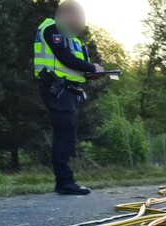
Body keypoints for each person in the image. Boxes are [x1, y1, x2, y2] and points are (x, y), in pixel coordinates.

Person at [34, 0, 104, 195]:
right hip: (56, 88)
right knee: (65, 133)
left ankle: (65, 181)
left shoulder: (75, 40)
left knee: (68, 134)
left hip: (70, 91)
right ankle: (64, 182)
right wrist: (91, 68)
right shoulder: (52, 28)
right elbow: (64, 57)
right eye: (74, 16)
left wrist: (93, 73)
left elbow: (78, 66)